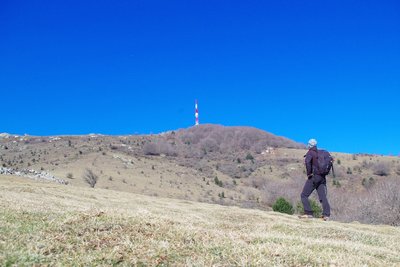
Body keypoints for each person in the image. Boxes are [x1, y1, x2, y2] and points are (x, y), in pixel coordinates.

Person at [299, 138, 331, 221]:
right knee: (323, 196)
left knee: (304, 195)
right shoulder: (322, 152)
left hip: (314, 177)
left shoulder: (310, 152)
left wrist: (309, 174)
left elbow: (307, 162)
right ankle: (326, 215)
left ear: (309, 145)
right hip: (322, 178)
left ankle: (308, 213)